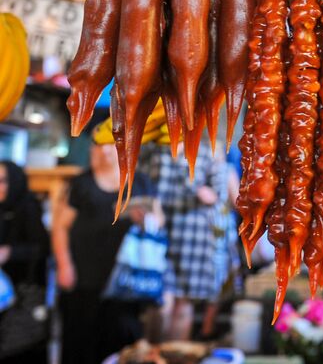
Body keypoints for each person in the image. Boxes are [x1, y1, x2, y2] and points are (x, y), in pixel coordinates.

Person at [52, 121, 158, 364]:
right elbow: (60, 227)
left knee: (120, 339)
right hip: (84, 276)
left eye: (111, 144)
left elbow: (158, 221)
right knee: (79, 337)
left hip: (126, 279)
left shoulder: (141, 182)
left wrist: (146, 219)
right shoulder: (81, 184)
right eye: (99, 145)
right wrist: (64, 265)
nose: (105, 150)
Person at [140, 138, 229, 341]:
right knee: (159, 301)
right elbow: (139, 181)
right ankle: (153, 353)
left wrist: (206, 194)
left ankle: (176, 353)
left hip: (193, 236)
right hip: (158, 233)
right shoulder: (152, 148)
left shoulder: (208, 150)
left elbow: (220, 194)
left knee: (184, 301)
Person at [0, 161, 49, 364]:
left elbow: (42, 248)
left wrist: (10, 252)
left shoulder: (28, 207)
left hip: (24, 291)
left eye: (3, 181)